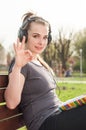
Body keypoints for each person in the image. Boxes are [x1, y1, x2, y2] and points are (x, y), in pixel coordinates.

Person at [4, 11, 86, 130]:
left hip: (57, 114)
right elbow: (11, 102)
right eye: (36, 36)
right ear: (24, 36)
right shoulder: (21, 64)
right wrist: (17, 66)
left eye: (45, 37)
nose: (41, 42)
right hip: (45, 123)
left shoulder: (39, 63)